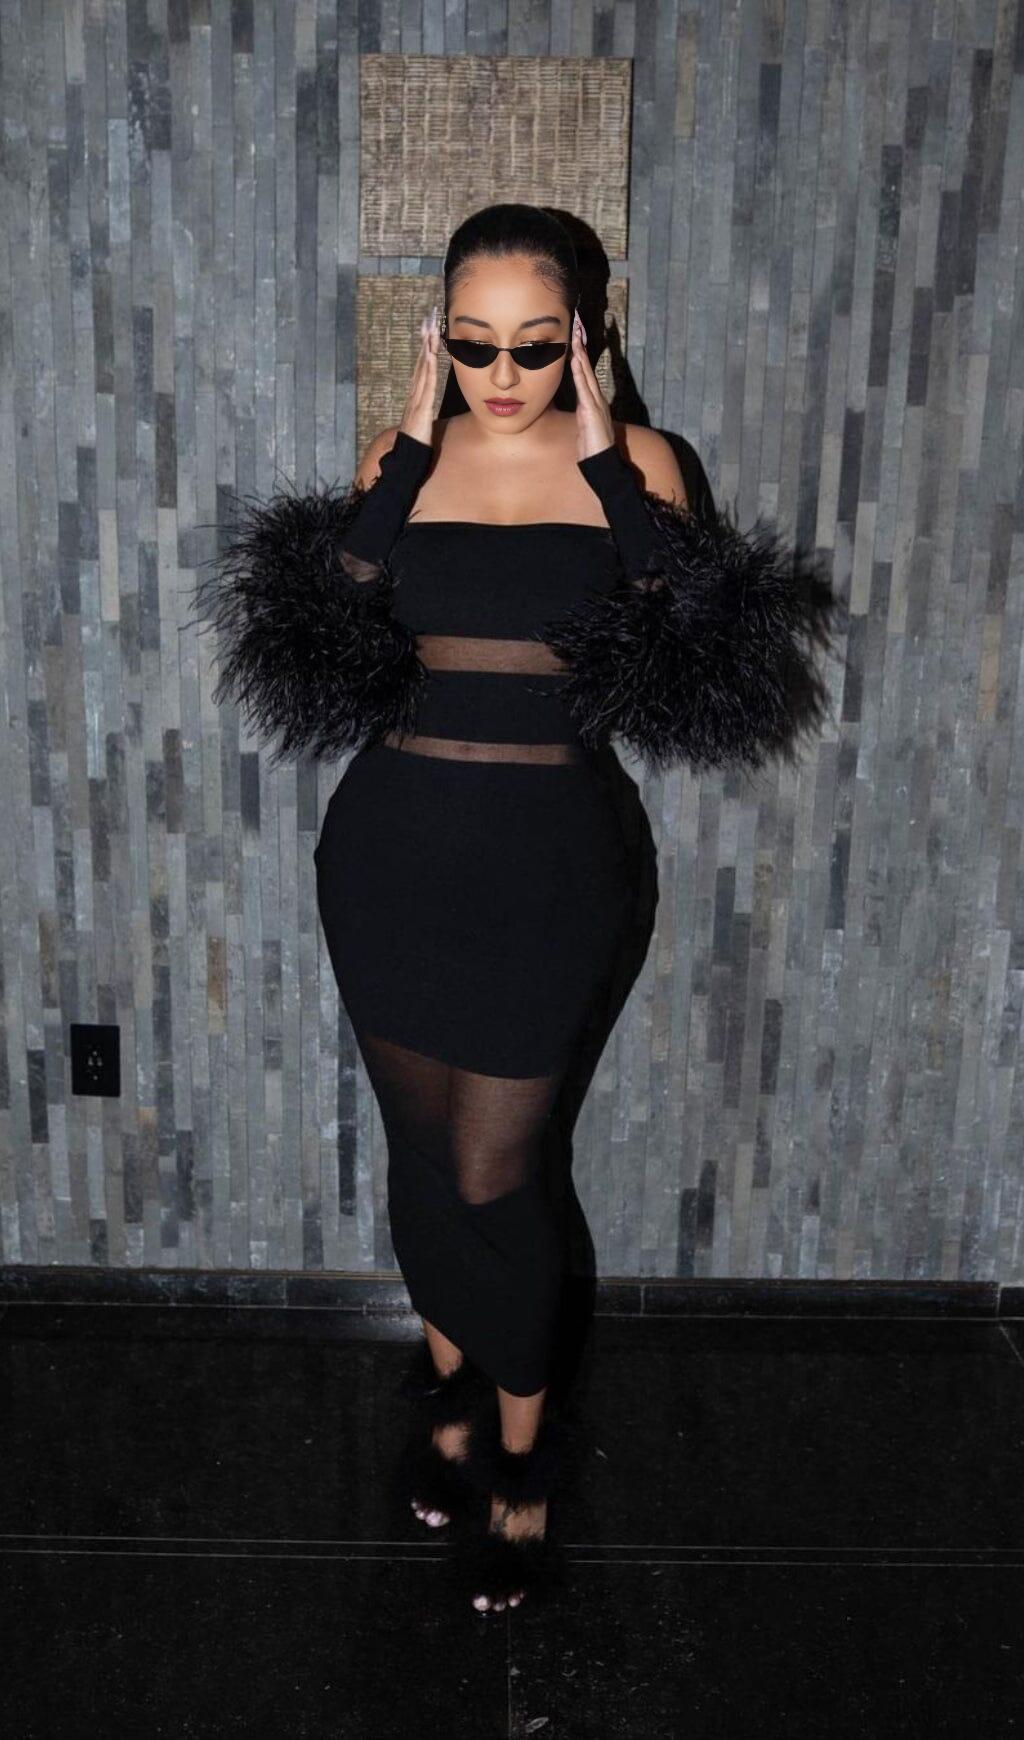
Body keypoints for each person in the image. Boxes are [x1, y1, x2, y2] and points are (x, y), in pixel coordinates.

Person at [190, 203, 837, 1617]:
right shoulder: (401, 457)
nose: (502, 375)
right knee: (423, 1160)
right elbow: (321, 636)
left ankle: (526, 1459)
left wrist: (607, 468)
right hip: (392, 855)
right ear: (440, 336)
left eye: (534, 348)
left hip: (553, 864)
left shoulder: (644, 462)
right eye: (473, 344)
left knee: (498, 1174)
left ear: (585, 339)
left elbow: (695, 657)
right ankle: (446, 1396)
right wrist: (402, 460)